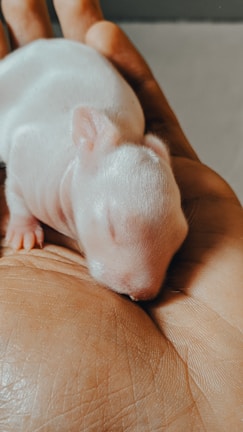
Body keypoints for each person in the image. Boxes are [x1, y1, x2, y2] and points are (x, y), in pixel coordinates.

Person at [0, 1, 242, 430]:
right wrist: (21, 217)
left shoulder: (142, 156)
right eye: (112, 226)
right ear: (86, 139)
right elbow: (17, 152)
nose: (146, 285)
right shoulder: (46, 162)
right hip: (24, 84)